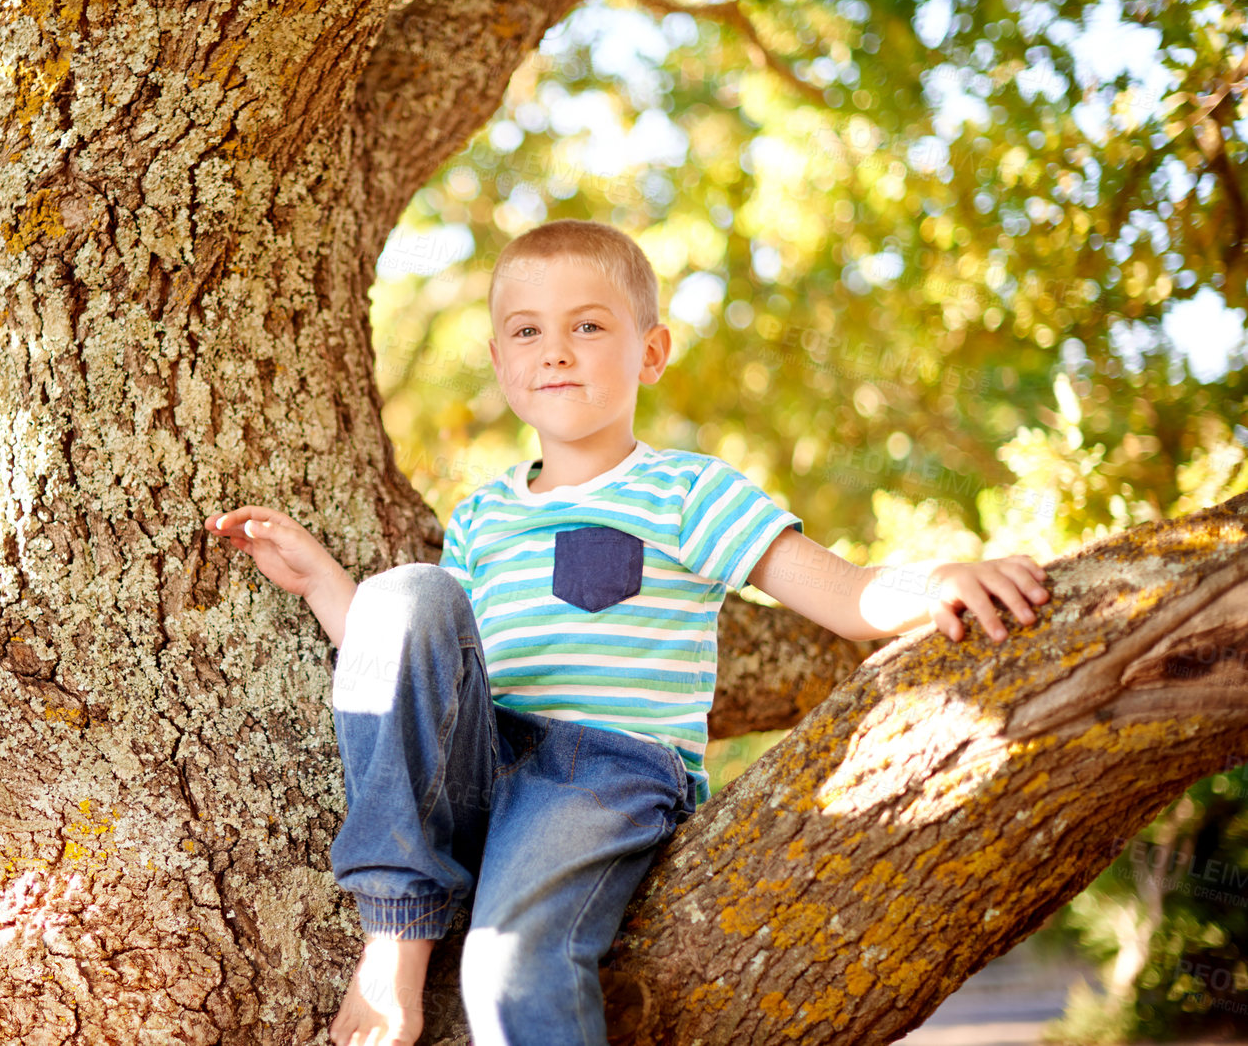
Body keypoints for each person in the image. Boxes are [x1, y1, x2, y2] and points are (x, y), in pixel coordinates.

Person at [204, 220, 1049, 1046]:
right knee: (407, 592)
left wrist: (935, 581)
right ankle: (396, 932)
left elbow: (845, 591)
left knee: (506, 965)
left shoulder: (687, 491)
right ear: (500, 363)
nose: (556, 350)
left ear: (650, 352)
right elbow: (409, 670)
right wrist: (324, 581)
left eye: (588, 326)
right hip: (481, 762)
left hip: (601, 775)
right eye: (527, 330)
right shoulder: (482, 515)